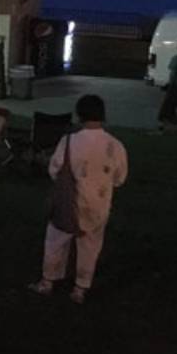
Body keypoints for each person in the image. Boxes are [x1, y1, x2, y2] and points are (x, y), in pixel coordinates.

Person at [28, 95, 128, 304]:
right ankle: (80, 288)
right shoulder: (115, 145)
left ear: (79, 115)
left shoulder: (69, 141)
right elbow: (120, 178)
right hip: (98, 205)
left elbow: (55, 169)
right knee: (90, 245)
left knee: (56, 241)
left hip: (69, 202)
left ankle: (48, 281)